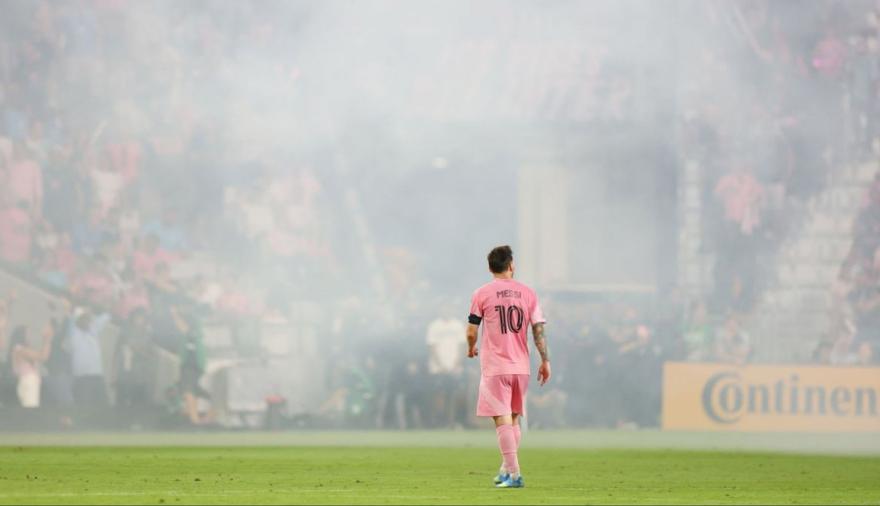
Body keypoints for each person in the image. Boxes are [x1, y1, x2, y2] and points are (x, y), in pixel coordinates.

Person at [466, 245, 550, 489]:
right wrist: (545, 360)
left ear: (490, 267)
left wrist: (471, 347)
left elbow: (471, 330)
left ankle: (514, 474)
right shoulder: (528, 293)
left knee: (502, 418)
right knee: (513, 419)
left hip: (496, 366)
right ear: (511, 265)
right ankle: (505, 470)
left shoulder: (482, 293)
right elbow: (538, 330)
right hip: (521, 367)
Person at [7, 325, 52, 407]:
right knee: (31, 409)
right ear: (21, 335)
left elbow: (43, 356)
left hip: (27, 382)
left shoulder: (18, 349)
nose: (30, 336)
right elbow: (42, 356)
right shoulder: (20, 349)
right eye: (27, 333)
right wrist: (47, 339)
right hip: (29, 382)